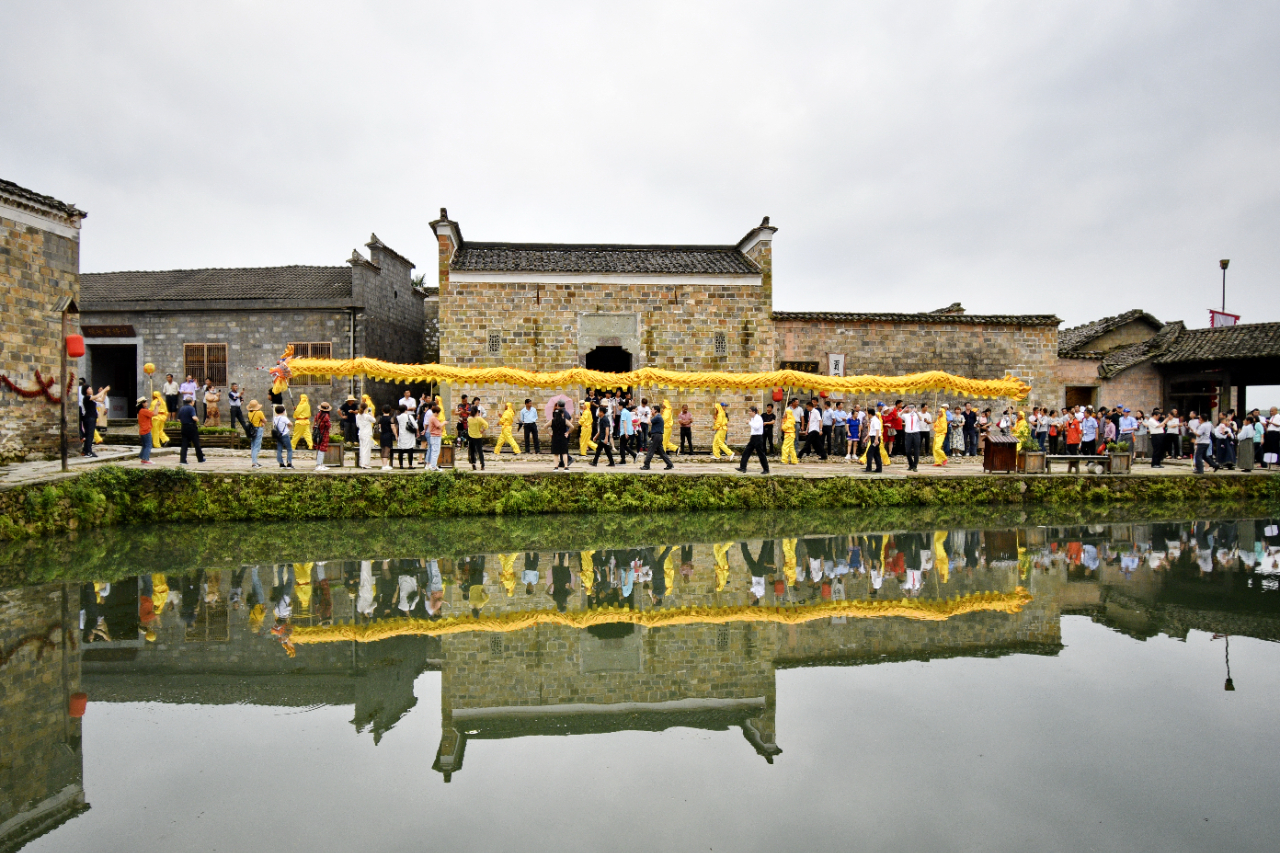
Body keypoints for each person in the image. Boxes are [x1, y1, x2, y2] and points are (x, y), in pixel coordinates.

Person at [640, 403, 674, 470]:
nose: (651, 411)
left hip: (656, 436)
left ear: (655, 410)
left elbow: (648, 422)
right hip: (657, 436)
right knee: (661, 452)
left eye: (652, 410)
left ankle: (646, 465)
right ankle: (669, 464)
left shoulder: (658, 417)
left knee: (650, 450)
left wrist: (649, 415)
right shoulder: (658, 417)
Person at [738, 405, 769, 474]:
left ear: (754, 412)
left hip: (758, 437)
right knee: (746, 452)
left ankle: (766, 469)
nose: (749, 413)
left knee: (761, 454)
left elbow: (756, 427)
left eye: (750, 411)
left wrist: (749, 422)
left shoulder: (758, 418)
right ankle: (743, 467)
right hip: (753, 437)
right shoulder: (753, 418)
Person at [177, 395, 205, 464]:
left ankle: (182, 460)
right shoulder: (191, 408)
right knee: (196, 443)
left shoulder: (181, 408)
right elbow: (194, 417)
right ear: (192, 402)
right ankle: (200, 458)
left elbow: (178, 419)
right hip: (191, 426)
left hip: (184, 427)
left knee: (184, 444)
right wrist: (197, 420)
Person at [551, 402, 572, 470]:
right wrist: (568, 432)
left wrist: (549, 433)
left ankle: (556, 467)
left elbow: (545, 426)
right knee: (564, 452)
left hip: (555, 436)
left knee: (556, 453)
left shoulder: (553, 420)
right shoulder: (565, 418)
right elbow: (572, 425)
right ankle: (565, 466)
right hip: (564, 435)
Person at [395, 404, 417, 469]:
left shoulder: (398, 417)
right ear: (406, 409)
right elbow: (415, 425)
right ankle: (410, 465)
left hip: (401, 434)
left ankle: (401, 465)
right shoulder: (409, 416)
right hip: (409, 434)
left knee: (401, 450)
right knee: (410, 449)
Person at [467, 405, 488, 470]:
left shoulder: (469, 419)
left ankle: (473, 464)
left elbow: (468, 426)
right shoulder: (479, 418)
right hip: (478, 436)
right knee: (480, 451)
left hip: (471, 436)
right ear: (477, 411)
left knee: (472, 451)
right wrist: (483, 430)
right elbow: (486, 425)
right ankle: (482, 465)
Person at [901, 403, 921, 471]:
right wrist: (904, 410)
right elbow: (898, 415)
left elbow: (921, 419)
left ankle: (915, 466)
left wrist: (917, 412)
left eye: (912, 408)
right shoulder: (906, 415)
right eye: (910, 408)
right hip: (908, 434)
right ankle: (911, 464)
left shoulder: (917, 415)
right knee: (908, 451)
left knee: (916, 450)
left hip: (916, 434)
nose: (911, 409)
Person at [863, 404, 883, 473]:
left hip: (875, 438)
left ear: (870, 414)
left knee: (869, 453)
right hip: (873, 437)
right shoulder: (873, 420)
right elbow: (872, 431)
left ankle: (869, 467)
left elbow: (877, 430)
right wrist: (867, 437)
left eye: (867, 414)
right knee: (876, 453)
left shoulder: (875, 420)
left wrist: (876, 439)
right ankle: (879, 468)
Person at [246, 399, 266, 468]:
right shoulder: (259, 412)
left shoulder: (249, 413)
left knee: (253, 445)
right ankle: (254, 463)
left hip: (252, 430)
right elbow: (264, 420)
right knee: (257, 446)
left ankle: (255, 461)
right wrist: (262, 423)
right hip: (258, 429)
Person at [354, 403, 375, 468]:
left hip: (361, 433)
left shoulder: (357, 416)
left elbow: (357, 425)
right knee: (366, 449)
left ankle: (362, 462)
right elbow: (374, 420)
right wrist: (371, 414)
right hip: (367, 434)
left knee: (362, 448)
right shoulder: (367, 416)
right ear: (366, 408)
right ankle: (365, 464)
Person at [80, 386, 99, 458]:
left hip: (92, 418)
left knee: (90, 435)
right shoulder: (87, 398)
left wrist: (105, 392)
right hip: (88, 418)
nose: (91, 390)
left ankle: (86, 450)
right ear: (86, 391)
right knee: (89, 435)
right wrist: (104, 390)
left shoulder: (92, 398)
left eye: (91, 388)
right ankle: (88, 451)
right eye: (89, 389)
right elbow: (97, 396)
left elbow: (101, 399)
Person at [313, 402, 332, 471]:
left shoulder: (318, 415)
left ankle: (320, 464)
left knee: (319, 448)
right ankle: (319, 465)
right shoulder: (326, 416)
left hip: (318, 433)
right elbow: (328, 426)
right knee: (322, 449)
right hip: (324, 434)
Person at [136, 396, 154, 464]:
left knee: (145, 445)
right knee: (148, 445)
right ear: (142, 404)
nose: (147, 403)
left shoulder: (141, 411)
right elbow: (154, 414)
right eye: (145, 402)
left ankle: (143, 457)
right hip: (146, 430)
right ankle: (146, 459)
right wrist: (157, 406)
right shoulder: (144, 411)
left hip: (142, 430)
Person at [378, 405, 395, 470]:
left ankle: (383, 464)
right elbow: (393, 427)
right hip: (388, 434)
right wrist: (396, 435)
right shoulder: (390, 418)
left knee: (383, 449)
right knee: (387, 449)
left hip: (382, 434)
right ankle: (385, 465)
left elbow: (379, 427)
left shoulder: (381, 418)